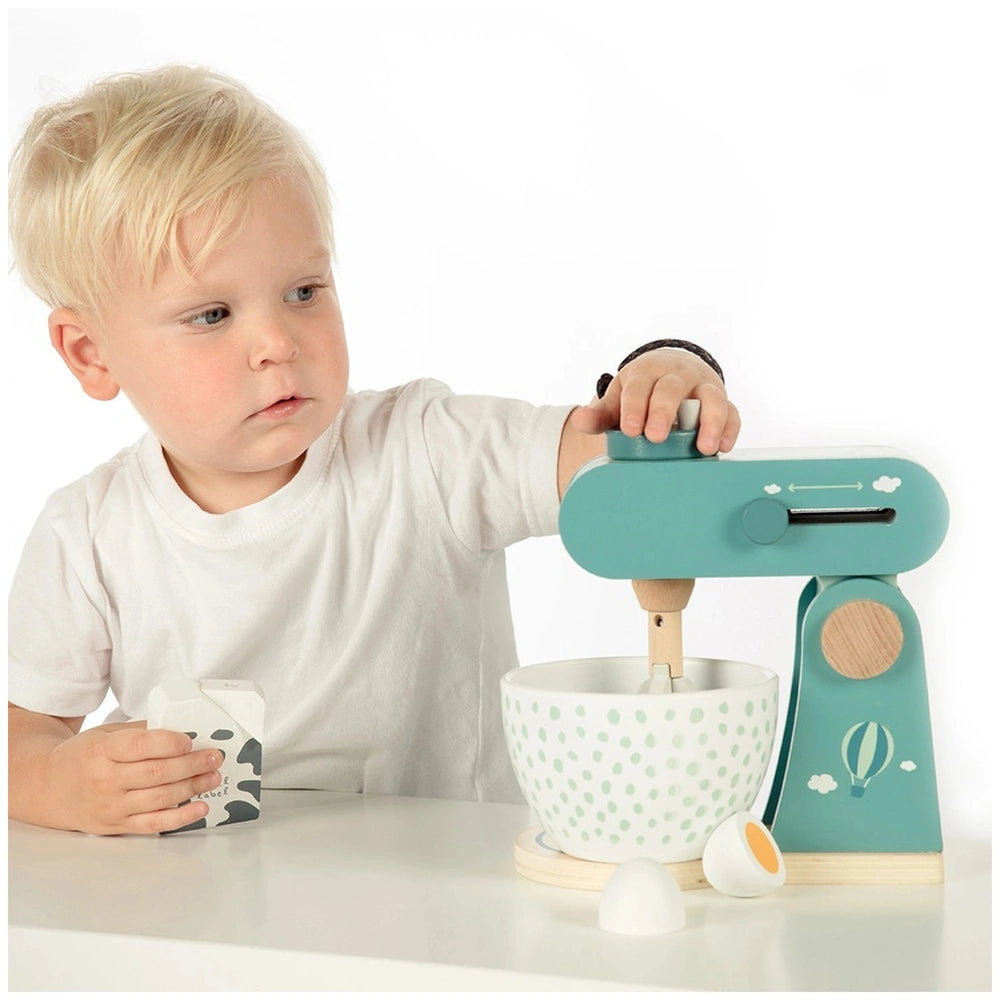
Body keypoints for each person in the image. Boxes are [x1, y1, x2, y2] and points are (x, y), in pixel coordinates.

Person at [7, 66, 740, 835]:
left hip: (445, 910)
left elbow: (614, 462)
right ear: (90, 354)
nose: (276, 344)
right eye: (212, 314)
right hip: (211, 922)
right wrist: (59, 782)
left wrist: (669, 380)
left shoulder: (425, 453)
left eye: (303, 291)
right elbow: (22, 742)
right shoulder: (86, 535)